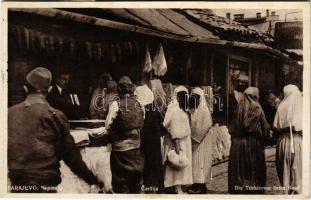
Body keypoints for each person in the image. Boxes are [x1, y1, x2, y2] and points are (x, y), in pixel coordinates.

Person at [8, 67, 104, 193]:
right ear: (48, 89)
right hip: (46, 183)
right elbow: (72, 158)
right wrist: (93, 180)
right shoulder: (56, 116)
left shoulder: (9, 114)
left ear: (25, 89)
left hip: (18, 183)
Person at [100, 76, 144, 193]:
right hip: (136, 150)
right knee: (136, 184)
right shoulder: (139, 103)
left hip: (120, 152)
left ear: (119, 89)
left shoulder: (115, 105)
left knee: (121, 184)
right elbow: (141, 121)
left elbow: (108, 125)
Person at [228, 87, 271, 194]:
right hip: (252, 143)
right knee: (252, 168)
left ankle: (239, 188)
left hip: (238, 143)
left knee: (240, 168)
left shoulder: (239, 107)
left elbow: (232, 128)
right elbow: (265, 128)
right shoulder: (256, 107)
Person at [162, 86, 193, 194]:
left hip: (181, 139)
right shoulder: (176, 107)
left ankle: (177, 186)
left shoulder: (181, 107)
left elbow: (167, 122)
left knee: (180, 162)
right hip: (176, 140)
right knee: (176, 162)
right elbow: (167, 123)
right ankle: (177, 188)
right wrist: (176, 138)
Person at [135, 84, 164, 193]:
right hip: (155, 142)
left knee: (149, 166)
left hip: (148, 142)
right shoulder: (154, 109)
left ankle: (151, 189)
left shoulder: (144, 111)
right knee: (155, 165)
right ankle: (157, 189)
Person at [273, 84, 302, 194]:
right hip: (297, 140)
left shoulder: (281, 106)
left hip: (283, 141)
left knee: (284, 171)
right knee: (297, 172)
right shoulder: (302, 107)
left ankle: (286, 194)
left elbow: (275, 126)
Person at [188, 87, 213, 194]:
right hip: (196, 140)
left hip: (202, 141)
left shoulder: (203, 109)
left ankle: (201, 185)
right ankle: (196, 183)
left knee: (202, 162)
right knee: (196, 162)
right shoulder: (194, 109)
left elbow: (207, 124)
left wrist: (196, 136)